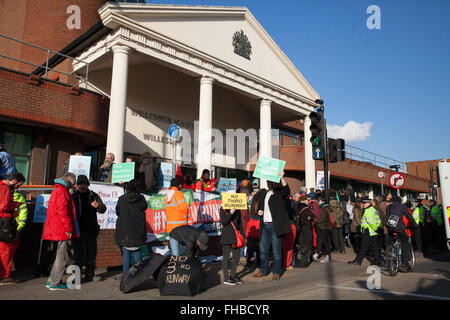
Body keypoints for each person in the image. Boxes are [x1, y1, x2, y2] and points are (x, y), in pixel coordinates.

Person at [43, 172, 79, 290]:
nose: (73, 185)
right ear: (69, 179)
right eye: (73, 183)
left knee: (59, 255)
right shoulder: (63, 192)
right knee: (62, 256)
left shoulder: (57, 190)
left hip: (56, 227)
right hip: (62, 229)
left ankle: (51, 280)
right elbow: (63, 211)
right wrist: (68, 228)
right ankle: (55, 283)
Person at [253, 171, 291, 280]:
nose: (269, 183)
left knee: (276, 251)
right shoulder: (264, 194)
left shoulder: (279, 193)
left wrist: (282, 177)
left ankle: (276, 272)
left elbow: (287, 190)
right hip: (264, 226)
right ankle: (263, 270)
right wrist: (259, 211)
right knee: (263, 250)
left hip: (275, 226)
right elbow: (259, 208)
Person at [72, 175, 106, 282]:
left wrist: (98, 207)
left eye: (85, 184)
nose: (83, 186)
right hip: (78, 229)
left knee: (91, 253)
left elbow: (103, 208)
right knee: (78, 255)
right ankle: (77, 277)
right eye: (81, 184)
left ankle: (89, 274)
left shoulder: (93, 196)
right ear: (78, 185)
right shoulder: (74, 196)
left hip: (91, 229)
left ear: (87, 185)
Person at [115, 180, 148, 275]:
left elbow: (118, 211)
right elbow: (144, 207)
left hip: (125, 231)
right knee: (137, 252)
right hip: (138, 230)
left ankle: (125, 277)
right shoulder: (141, 199)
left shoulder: (122, 199)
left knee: (126, 253)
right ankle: (136, 276)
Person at [0, 173, 25, 284]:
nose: (18, 187)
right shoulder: (5, 188)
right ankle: (5, 276)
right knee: (7, 249)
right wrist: (15, 205)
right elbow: (3, 207)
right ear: (14, 181)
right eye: (19, 185)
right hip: (4, 223)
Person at [385, 196, 418, 272]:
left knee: (392, 241)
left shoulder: (388, 207)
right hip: (399, 228)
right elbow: (409, 217)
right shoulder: (402, 207)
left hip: (390, 228)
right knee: (405, 242)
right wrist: (415, 225)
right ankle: (405, 262)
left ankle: (391, 253)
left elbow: (387, 218)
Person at [349, 198, 382, 266]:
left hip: (368, 231)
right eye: (362, 203)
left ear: (368, 203)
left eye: (364, 203)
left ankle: (358, 261)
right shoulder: (374, 210)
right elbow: (378, 220)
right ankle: (377, 261)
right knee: (374, 247)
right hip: (373, 232)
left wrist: (375, 228)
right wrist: (377, 228)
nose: (362, 204)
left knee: (363, 247)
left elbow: (370, 222)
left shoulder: (367, 211)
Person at [220, 206, 243, 285]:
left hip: (236, 237)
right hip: (227, 236)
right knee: (226, 257)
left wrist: (243, 235)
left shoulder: (238, 209)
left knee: (237, 257)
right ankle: (226, 278)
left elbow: (239, 224)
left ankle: (233, 275)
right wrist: (230, 213)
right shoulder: (223, 209)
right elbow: (224, 222)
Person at [165, 178, 189, 242]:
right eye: (180, 184)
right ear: (178, 185)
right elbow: (184, 208)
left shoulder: (167, 195)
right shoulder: (178, 194)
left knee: (174, 249)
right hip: (180, 227)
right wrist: (186, 220)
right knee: (181, 249)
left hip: (170, 227)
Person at [246, 189, 264, 267]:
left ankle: (248, 260)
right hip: (258, 225)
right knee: (259, 247)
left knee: (250, 246)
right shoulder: (262, 202)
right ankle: (258, 262)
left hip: (251, 225)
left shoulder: (253, 201)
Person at [296, 195, 315, 265]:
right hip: (307, 226)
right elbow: (312, 216)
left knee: (302, 243)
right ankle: (308, 258)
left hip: (300, 227)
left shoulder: (297, 207)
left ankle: (302, 258)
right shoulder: (306, 208)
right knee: (308, 242)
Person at [312, 197, 332, 263]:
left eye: (319, 201)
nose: (318, 203)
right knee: (320, 241)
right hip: (324, 227)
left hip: (324, 227)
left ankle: (327, 257)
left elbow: (322, 219)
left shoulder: (324, 208)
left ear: (322, 201)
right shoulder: (326, 208)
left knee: (325, 242)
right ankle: (317, 254)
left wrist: (316, 220)